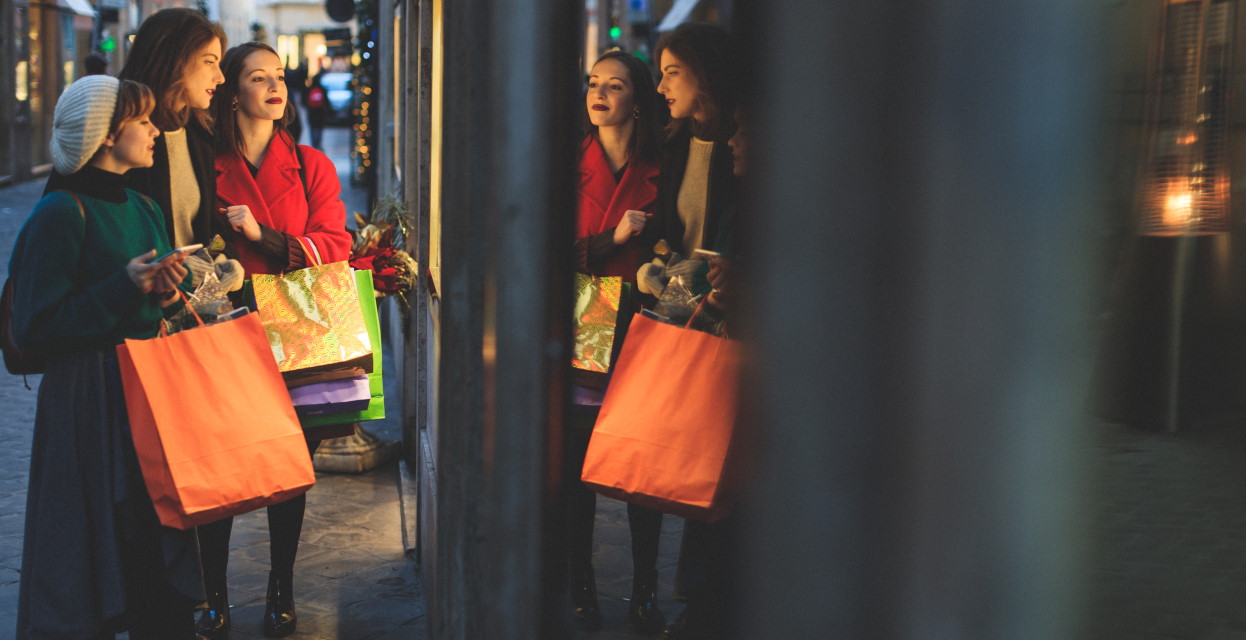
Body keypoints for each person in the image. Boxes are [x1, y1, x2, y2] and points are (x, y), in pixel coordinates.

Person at [12, 75, 196, 639]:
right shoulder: (61, 214)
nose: (154, 131)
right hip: (87, 398)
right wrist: (123, 287)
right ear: (105, 134)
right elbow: (34, 329)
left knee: (152, 538)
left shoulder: (143, 205)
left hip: (148, 389)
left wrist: (165, 290)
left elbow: (149, 306)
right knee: (90, 540)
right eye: (142, 121)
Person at [196, 41, 353, 640]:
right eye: (257, 77)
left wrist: (262, 237)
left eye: (279, 76)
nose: (274, 87)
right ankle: (213, 597)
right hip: (224, 332)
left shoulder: (311, 164)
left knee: (290, 465)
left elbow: (333, 246)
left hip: (296, 335)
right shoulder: (203, 160)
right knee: (220, 464)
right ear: (232, 90)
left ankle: (280, 589)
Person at [639, 22, 740, 640]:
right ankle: (693, 596)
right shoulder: (676, 140)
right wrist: (660, 260)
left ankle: (707, 601)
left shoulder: (745, 139)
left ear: (704, 73)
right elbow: (671, 228)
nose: (661, 85)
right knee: (690, 459)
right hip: (686, 318)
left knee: (724, 466)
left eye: (672, 72)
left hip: (735, 324)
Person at [565, 50, 667, 635]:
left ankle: (646, 589)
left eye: (616, 86)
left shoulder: (664, 163)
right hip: (581, 325)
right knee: (580, 462)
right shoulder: (567, 164)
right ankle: (581, 586)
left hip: (645, 323)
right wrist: (611, 240)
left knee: (643, 464)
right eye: (593, 84)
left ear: (638, 97)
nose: (600, 95)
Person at [115, 8, 226, 249]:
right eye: (209, 62)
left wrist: (225, 258)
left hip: (198, 285)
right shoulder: (120, 132)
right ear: (173, 59)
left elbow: (206, 229)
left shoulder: (198, 134)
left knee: (321, 284)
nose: (220, 77)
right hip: (140, 285)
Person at [303, 72, 329, 150]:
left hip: (312, 112)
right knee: (319, 129)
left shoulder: (309, 89)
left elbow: (304, 101)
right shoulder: (322, 89)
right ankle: (318, 143)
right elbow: (326, 102)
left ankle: (314, 143)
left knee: (312, 129)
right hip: (320, 112)